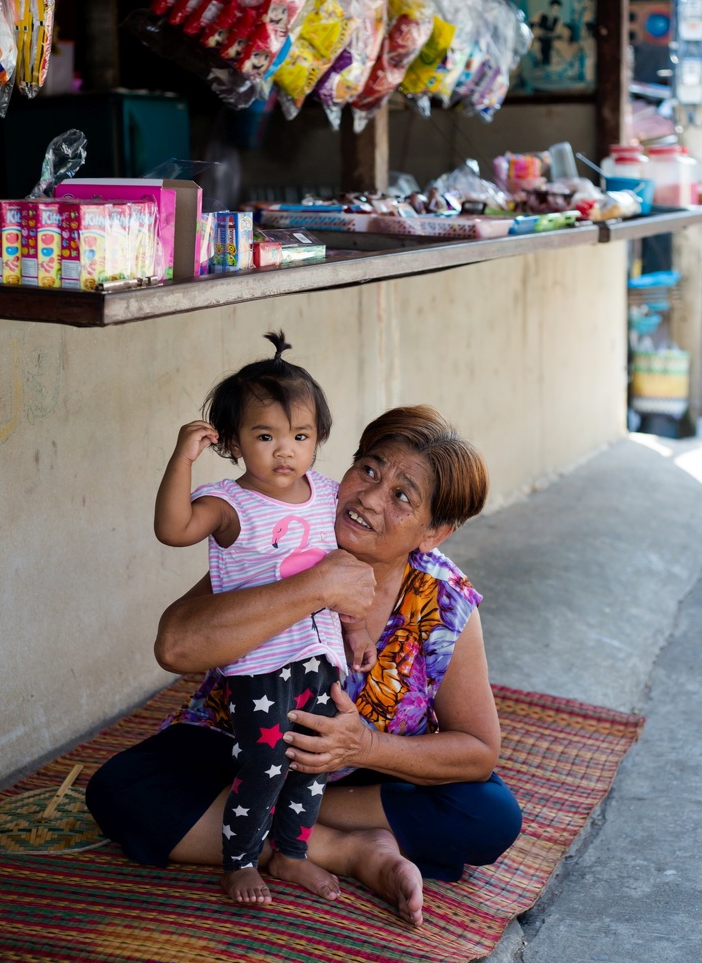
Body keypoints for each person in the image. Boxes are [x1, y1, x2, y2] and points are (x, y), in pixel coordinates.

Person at [86, 405, 523, 927]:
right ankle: (344, 851)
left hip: (355, 780)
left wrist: (363, 746)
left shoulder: (443, 600)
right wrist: (313, 586)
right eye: (368, 470)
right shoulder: (283, 539)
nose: (368, 497)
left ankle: (274, 824)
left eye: (402, 496)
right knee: (122, 792)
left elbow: (477, 750)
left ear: (434, 533)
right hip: (236, 752)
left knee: (490, 815)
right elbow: (175, 647)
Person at [152, 331, 375, 906]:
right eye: (265, 436)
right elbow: (173, 530)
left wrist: (354, 633)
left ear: (319, 439)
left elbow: (341, 575)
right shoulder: (229, 503)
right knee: (262, 767)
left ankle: (292, 856)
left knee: (311, 765)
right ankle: (239, 863)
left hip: (319, 659)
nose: (285, 451)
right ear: (231, 441)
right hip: (259, 666)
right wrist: (182, 457)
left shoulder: (327, 496)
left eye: (300, 436)